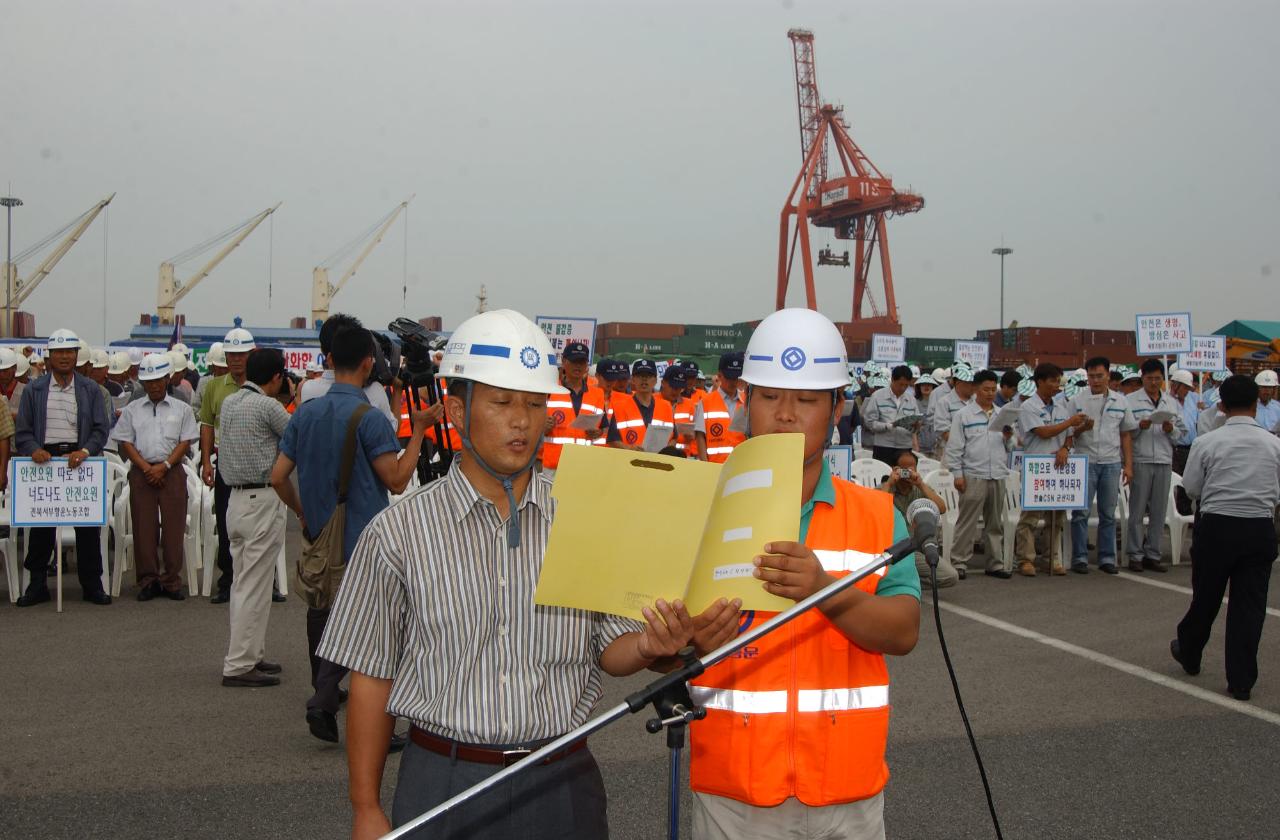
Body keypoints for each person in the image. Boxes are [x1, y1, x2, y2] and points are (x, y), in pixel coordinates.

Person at [315, 310, 700, 839]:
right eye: (501, 402)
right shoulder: (397, 534)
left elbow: (612, 649)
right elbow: (371, 679)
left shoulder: (581, 521)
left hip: (562, 780)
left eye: (536, 403)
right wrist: (365, 806)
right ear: (455, 408)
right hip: (442, 781)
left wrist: (655, 643)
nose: (522, 420)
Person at [687, 308, 920, 840]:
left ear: (838, 407)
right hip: (734, 792)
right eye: (769, 396)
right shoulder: (700, 509)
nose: (786, 414)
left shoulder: (880, 516)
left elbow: (903, 631)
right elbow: (664, 643)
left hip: (845, 791)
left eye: (807, 399)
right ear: (745, 402)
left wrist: (823, 590)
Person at [270, 326, 439, 742]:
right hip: (366, 538)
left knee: (325, 614)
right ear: (369, 364)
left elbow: (277, 477)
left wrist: (303, 512)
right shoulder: (370, 418)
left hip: (319, 535)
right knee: (374, 630)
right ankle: (339, 706)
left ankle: (324, 696)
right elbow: (398, 480)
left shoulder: (305, 413)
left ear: (329, 360)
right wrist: (418, 431)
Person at [1171, 375, 1280, 702]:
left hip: (1217, 525)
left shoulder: (1208, 442)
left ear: (1222, 404)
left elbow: (1191, 487)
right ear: (1256, 403)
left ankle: (1190, 652)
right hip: (1259, 527)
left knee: (1206, 596)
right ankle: (1241, 680)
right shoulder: (1274, 444)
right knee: (1250, 607)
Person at [13, 328, 113, 607]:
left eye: (69, 351)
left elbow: (99, 429)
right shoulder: (34, 390)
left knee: (87, 526)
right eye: (59, 352)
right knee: (41, 526)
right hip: (45, 463)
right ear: (50, 356)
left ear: (76, 355)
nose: (65, 357)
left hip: (79, 462)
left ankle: (92, 585)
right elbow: (23, 432)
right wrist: (34, 449)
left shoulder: (90, 389)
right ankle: (37, 584)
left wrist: (85, 451)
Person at [219, 348, 292, 688]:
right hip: (261, 498)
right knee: (254, 585)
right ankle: (238, 664)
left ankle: (250, 654)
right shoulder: (269, 406)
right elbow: (296, 436)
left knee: (245, 584)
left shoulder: (232, 401)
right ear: (277, 377)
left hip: (234, 499)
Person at [111, 353, 199, 600]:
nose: (154, 386)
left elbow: (185, 441)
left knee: (174, 527)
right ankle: (148, 581)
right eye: (149, 382)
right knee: (143, 527)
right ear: (143, 383)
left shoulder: (182, 409)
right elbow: (126, 441)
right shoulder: (132, 409)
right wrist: (146, 467)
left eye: (159, 380)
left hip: (172, 472)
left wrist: (166, 466)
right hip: (142, 472)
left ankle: (171, 581)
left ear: (168, 379)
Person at [199, 327, 258, 604]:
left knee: (258, 524)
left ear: (252, 355)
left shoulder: (262, 385)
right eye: (231, 355)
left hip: (256, 462)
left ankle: (263, 581)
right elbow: (208, 425)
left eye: (241, 355)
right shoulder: (214, 386)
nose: (236, 360)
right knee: (226, 522)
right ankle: (228, 580)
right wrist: (206, 461)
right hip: (225, 461)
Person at [1014, 363, 1087, 577]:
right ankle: (1026, 559)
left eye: (1058, 381)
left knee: (1057, 517)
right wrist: (1069, 423)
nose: (1057, 385)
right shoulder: (1029, 407)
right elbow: (1044, 432)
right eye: (1053, 381)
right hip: (1037, 466)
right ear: (1039, 381)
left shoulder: (1061, 406)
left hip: (1059, 467)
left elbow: (1070, 435)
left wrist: (1065, 447)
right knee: (1030, 517)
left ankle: (1051, 558)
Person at [1067, 356, 1136, 574]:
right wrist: (1080, 428)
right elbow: (1068, 434)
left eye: (1099, 376)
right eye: (1091, 376)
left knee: (1108, 512)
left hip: (1111, 462)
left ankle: (1107, 557)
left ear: (1108, 375)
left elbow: (1125, 435)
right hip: (1085, 460)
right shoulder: (1077, 400)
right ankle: (1079, 557)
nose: (1095, 380)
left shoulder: (1121, 401)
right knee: (1081, 512)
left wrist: (1128, 465)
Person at [945, 369, 1014, 580]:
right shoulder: (964, 415)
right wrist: (957, 474)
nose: (990, 393)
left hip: (997, 474)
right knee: (968, 521)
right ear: (976, 389)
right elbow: (955, 448)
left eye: (994, 389)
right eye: (986, 389)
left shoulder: (1002, 414)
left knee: (995, 523)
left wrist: (1008, 437)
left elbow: (1010, 447)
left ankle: (995, 563)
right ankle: (958, 562)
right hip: (973, 473)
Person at [1126, 359, 1187, 573]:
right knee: (1137, 510)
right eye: (1149, 378)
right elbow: (1125, 432)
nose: (1153, 382)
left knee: (1159, 511)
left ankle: (1153, 553)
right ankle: (1135, 554)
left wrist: (1171, 429)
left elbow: (1182, 435)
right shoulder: (1131, 401)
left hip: (1163, 459)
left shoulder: (1170, 403)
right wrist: (1139, 426)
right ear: (1142, 378)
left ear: (1163, 379)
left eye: (1157, 379)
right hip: (1141, 459)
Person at [299, 314, 400, 431]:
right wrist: (397, 391)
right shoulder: (374, 391)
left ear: (324, 352)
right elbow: (391, 435)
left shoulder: (308, 388)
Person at [884, 449, 956, 586]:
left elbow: (941, 508)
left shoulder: (921, 489)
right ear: (895, 469)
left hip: (917, 547)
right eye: (904, 469)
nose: (908, 473)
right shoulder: (886, 488)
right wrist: (889, 483)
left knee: (950, 576)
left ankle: (907, 584)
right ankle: (902, 584)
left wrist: (921, 484)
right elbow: (875, 508)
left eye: (911, 468)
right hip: (896, 548)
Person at [539, 341, 606, 478]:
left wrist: (598, 432)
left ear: (587, 365)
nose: (578, 366)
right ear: (564, 362)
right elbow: (534, 425)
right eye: (574, 361)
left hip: (584, 465)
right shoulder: (548, 391)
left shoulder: (597, 394)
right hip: (554, 466)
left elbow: (603, 428)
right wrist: (542, 427)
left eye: (582, 362)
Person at [607, 358, 674, 451]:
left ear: (655, 380)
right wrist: (629, 449)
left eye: (648, 376)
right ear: (633, 380)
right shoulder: (620, 407)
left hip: (658, 461)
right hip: (629, 461)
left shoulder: (666, 406)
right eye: (640, 376)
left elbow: (674, 437)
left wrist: (665, 451)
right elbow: (612, 440)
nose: (644, 379)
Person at [861, 364, 921, 465]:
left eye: (906, 385)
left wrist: (916, 425)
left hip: (904, 447)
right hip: (883, 447)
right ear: (892, 379)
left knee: (903, 479)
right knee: (883, 477)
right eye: (900, 384)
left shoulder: (911, 399)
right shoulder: (878, 396)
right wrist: (887, 426)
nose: (902, 388)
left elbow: (916, 424)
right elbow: (869, 422)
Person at [693, 351, 745, 463]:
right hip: (715, 466)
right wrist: (705, 464)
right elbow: (700, 436)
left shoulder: (746, 402)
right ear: (720, 375)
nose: (733, 382)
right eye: (729, 377)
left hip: (741, 465)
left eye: (736, 378)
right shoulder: (706, 402)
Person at [930, 365, 975, 458]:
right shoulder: (944, 403)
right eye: (969, 383)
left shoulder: (976, 401)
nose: (973, 386)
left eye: (973, 383)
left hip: (974, 455)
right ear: (958, 383)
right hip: (951, 455)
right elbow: (944, 431)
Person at [1168, 368, 1200, 475]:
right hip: (1174, 450)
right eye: (1185, 387)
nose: (1187, 391)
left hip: (1192, 449)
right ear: (1175, 385)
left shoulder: (1193, 398)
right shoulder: (1165, 401)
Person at [660, 364, 696, 455]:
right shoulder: (652, 402)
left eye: (679, 387)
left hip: (685, 458)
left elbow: (698, 435)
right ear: (663, 383)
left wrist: (692, 436)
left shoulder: (690, 405)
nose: (675, 391)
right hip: (657, 455)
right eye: (672, 386)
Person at [1254, 370, 1280, 434]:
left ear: (1273, 390)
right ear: (1257, 388)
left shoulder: (1278, 407)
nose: (1267, 391)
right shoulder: (1250, 407)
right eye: (1264, 387)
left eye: (1270, 387)